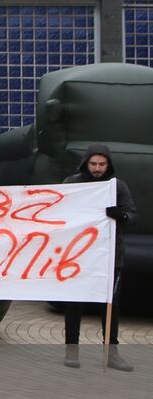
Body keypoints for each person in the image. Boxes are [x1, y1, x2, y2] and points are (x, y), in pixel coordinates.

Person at [63, 143, 137, 371]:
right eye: (93, 163)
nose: (97, 168)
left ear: (108, 164)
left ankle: (111, 353)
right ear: (86, 163)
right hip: (79, 256)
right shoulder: (72, 184)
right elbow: (60, 210)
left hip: (109, 257)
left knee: (111, 305)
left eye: (102, 164)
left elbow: (132, 216)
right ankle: (71, 350)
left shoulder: (117, 187)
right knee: (75, 303)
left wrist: (120, 215)